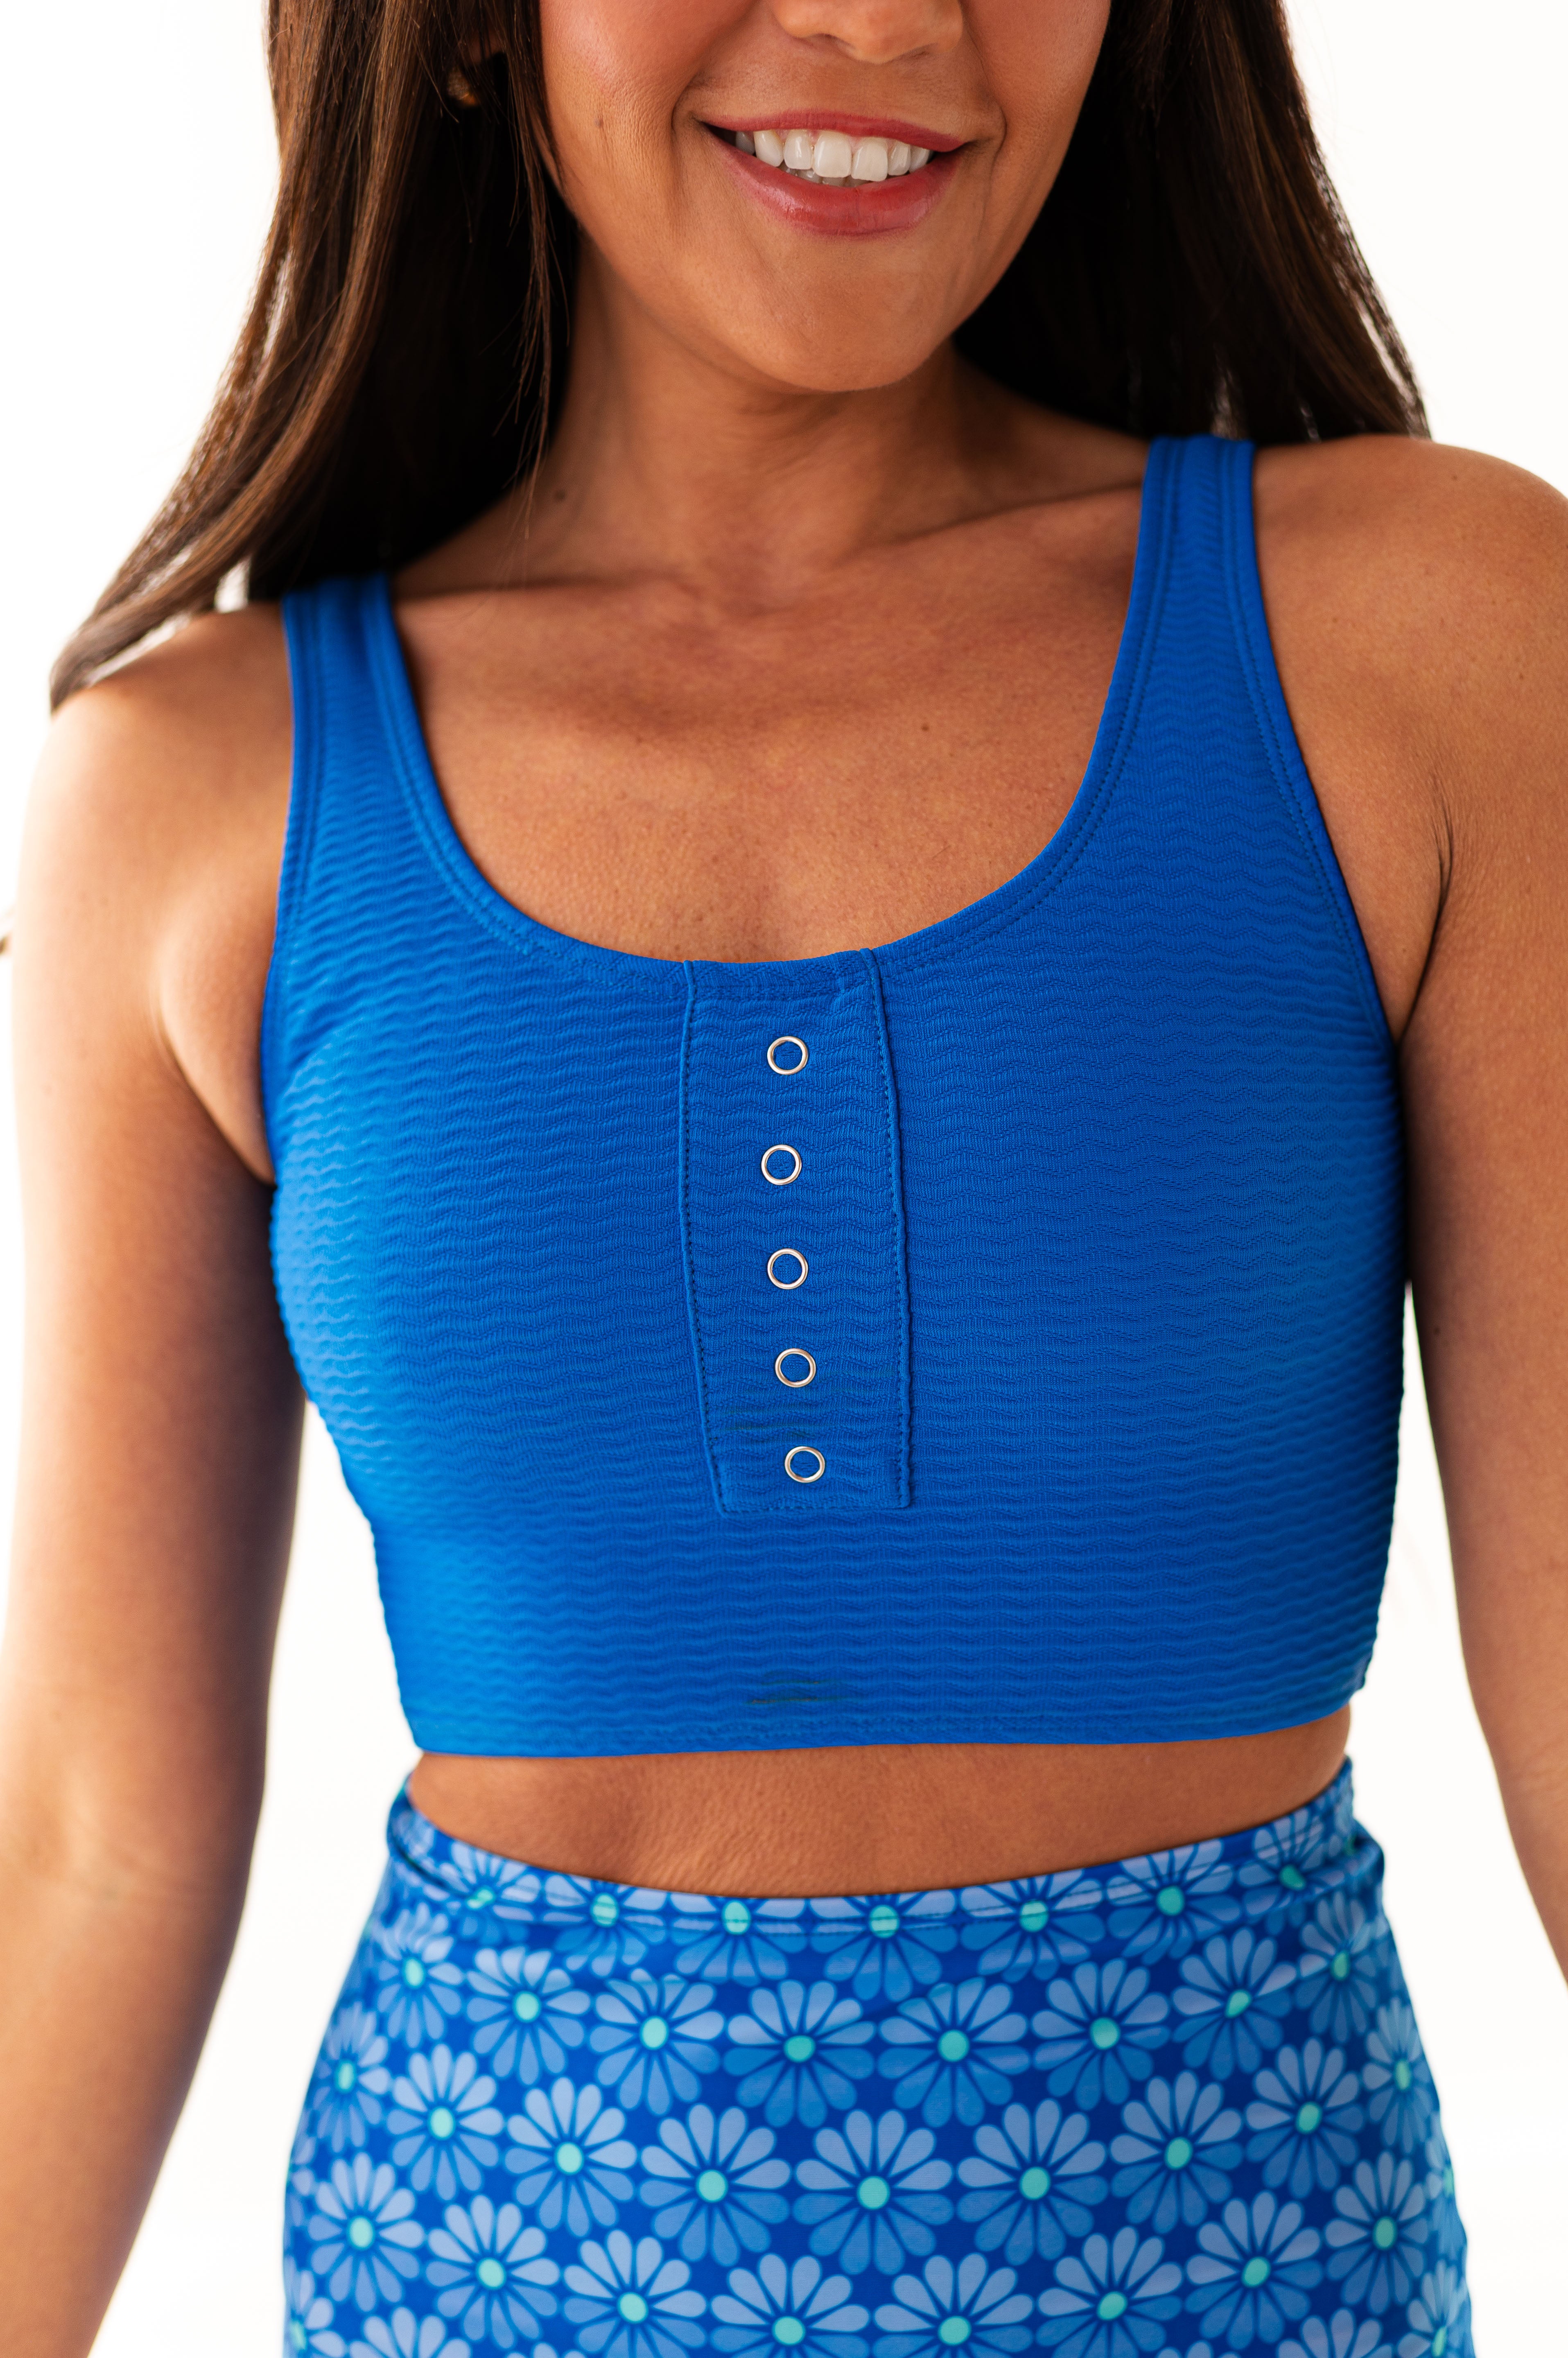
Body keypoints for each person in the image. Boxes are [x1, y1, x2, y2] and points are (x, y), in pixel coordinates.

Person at [3, 0, 1566, 2349]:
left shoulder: (1427, 640)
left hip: (1244, 2277)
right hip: (481, 2275)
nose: (886, 18)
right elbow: (95, 1835)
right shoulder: (195, 794)